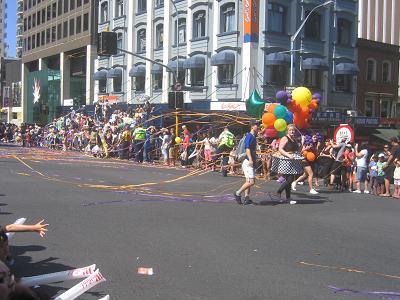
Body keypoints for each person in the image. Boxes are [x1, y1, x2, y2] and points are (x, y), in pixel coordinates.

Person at [274, 124, 304, 202]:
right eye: (290, 130)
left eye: (293, 130)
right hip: (286, 160)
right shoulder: (285, 138)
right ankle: (279, 192)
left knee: (289, 179)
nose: (292, 131)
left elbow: (299, 150)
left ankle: (288, 197)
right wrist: (288, 155)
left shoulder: (295, 139)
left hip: (293, 160)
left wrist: (302, 142)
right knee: (290, 179)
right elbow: (280, 149)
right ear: (287, 131)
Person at [234, 122, 259, 205]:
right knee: (251, 182)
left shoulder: (253, 136)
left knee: (248, 181)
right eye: (257, 125)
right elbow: (247, 148)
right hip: (248, 161)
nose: (258, 127)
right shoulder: (249, 136)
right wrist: (251, 159)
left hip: (248, 161)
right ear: (252, 127)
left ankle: (246, 198)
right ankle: (238, 193)